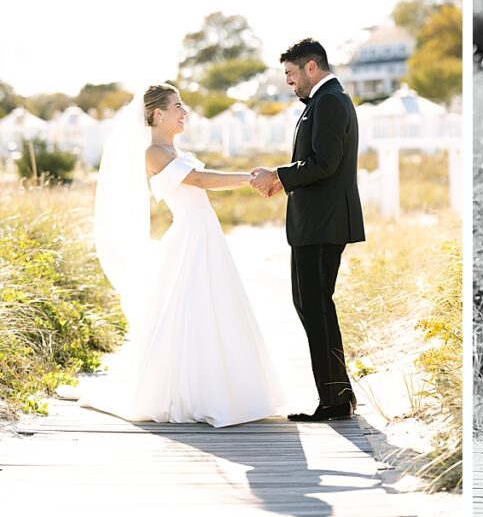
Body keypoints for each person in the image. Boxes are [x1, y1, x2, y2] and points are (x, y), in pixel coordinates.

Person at [83, 83, 285, 427]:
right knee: (190, 310)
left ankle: (221, 388)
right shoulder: (153, 153)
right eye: (177, 106)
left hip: (205, 234)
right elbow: (199, 180)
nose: (184, 112)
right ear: (157, 114)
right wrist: (250, 178)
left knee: (215, 308)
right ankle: (194, 391)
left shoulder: (172, 149)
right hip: (189, 237)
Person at [250, 38, 365, 422]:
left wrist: (279, 174)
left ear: (311, 68)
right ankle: (339, 394)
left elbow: (325, 163)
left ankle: (334, 401)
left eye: (290, 73)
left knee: (315, 308)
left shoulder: (330, 101)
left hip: (322, 223)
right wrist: (285, 180)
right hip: (316, 222)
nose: (288, 82)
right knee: (312, 306)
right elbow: (318, 163)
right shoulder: (324, 100)